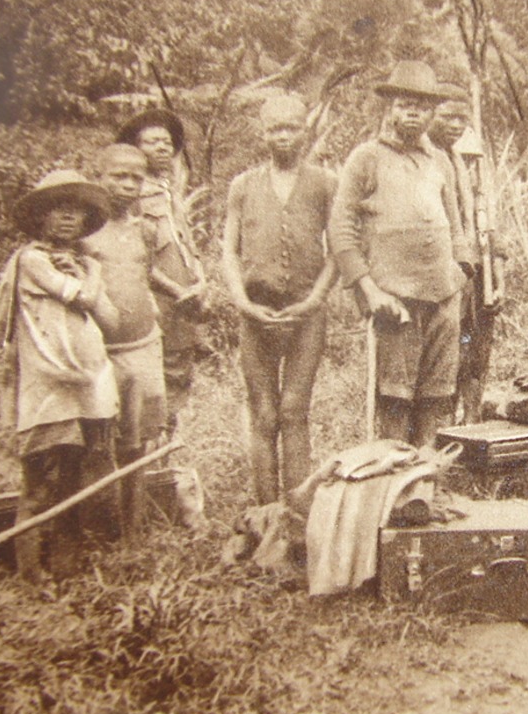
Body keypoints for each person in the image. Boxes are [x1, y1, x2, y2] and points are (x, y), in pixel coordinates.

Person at [329, 61, 476, 447]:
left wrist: (460, 273)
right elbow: (340, 229)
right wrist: (372, 293)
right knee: (395, 398)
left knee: (437, 396)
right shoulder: (366, 158)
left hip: (442, 297)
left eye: (423, 107)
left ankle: (424, 488)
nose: (413, 113)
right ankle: (393, 487)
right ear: (390, 108)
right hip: (395, 300)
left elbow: (456, 225)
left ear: (432, 114)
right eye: (405, 104)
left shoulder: (438, 160)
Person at [0, 170, 119, 581]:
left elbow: (107, 316)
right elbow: (83, 297)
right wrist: (93, 273)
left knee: (72, 482)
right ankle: (31, 572)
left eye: (76, 212)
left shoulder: (78, 263)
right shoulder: (31, 260)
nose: (68, 219)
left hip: (83, 385)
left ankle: (66, 569)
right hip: (47, 389)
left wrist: (85, 268)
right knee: (38, 485)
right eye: (57, 211)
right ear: (40, 218)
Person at [222, 92, 339, 505]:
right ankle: (266, 511)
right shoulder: (243, 186)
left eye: (291, 128)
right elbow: (229, 252)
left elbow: (339, 249)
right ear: (263, 133)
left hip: (306, 315)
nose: (283, 137)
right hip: (256, 315)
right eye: (275, 129)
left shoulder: (325, 183)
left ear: (304, 131)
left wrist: (315, 299)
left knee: (293, 410)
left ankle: (298, 510)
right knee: (264, 413)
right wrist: (242, 301)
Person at [81, 143, 167, 539]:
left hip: (143, 346)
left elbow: (145, 278)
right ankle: (100, 526)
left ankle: (133, 527)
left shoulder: (145, 230)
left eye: (137, 176)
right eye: (119, 175)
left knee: (138, 442)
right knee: (98, 442)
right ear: (99, 177)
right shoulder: (83, 235)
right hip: (100, 353)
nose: (129, 184)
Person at [116, 108, 206, 433]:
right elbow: (138, 259)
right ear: (135, 148)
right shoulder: (131, 193)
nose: (162, 148)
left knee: (178, 381)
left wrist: (200, 279)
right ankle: (152, 460)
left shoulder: (169, 192)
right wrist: (177, 290)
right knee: (152, 389)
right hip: (155, 305)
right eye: (151, 142)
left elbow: (185, 245)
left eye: (166, 142)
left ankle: (166, 456)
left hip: (183, 308)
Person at [426, 82, 499, 422]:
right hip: (438, 274)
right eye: (447, 117)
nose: (455, 125)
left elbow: (474, 224)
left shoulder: (455, 159)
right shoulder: (428, 156)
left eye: (462, 119)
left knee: (468, 344)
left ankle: (461, 419)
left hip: (466, 275)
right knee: (441, 356)